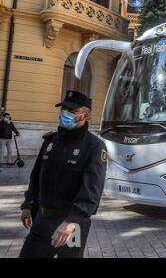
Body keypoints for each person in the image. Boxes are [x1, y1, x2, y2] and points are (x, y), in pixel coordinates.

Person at [19, 91, 107, 258]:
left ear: (84, 116)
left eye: (71, 111)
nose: (64, 114)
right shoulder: (51, 141)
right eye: (64, 109)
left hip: (71, 225)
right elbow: (36, 176)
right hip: (42, 219)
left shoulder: (94, 147)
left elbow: (92, 191)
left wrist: (72, 220)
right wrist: (28, 205)